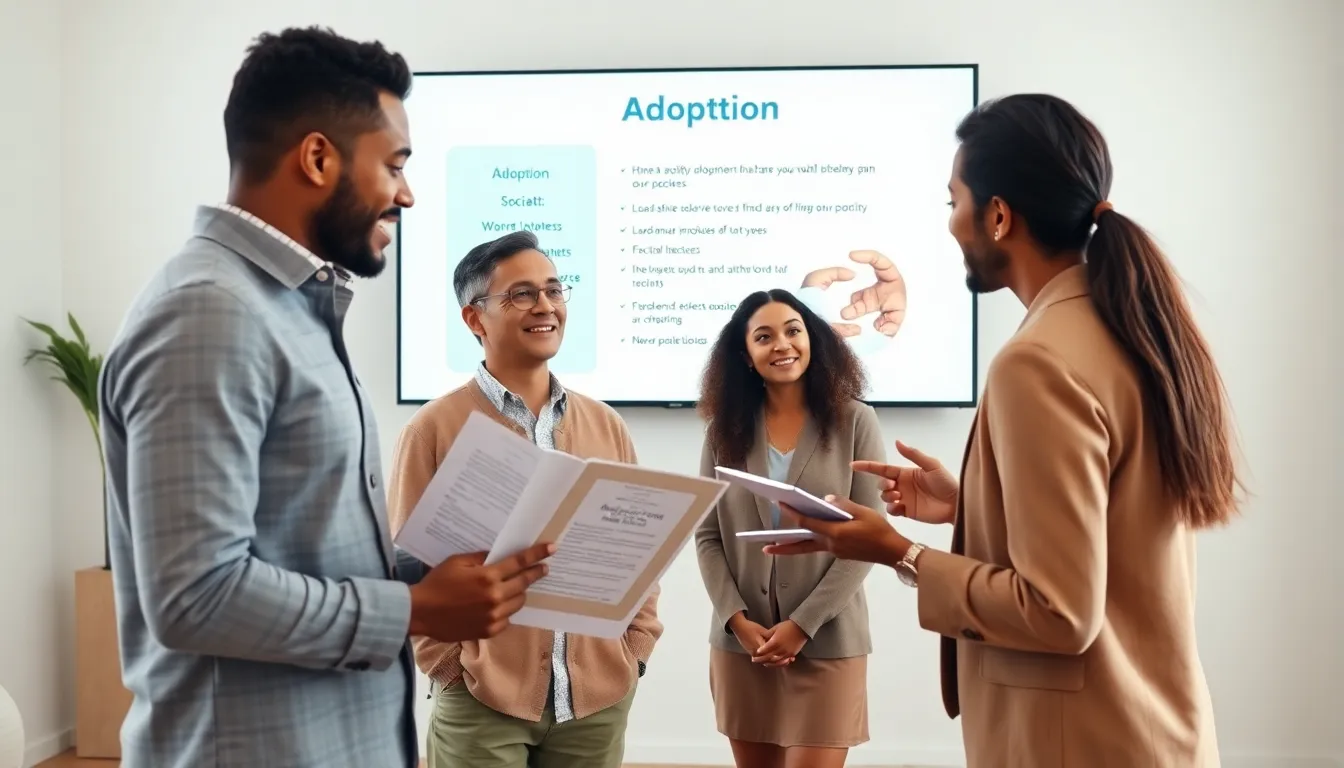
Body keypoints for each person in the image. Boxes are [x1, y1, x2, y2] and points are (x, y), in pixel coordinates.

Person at [98, 28, 552, 768]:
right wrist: (416, 608)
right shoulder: (209, 314)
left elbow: (296, 541)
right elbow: (195, 598)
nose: (406, 194)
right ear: (317, 158)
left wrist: (423, 575)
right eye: (395, 165)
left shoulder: (283, 307)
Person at [765, 94, 1243, 767]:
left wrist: (899, 551)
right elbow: (1117, 531)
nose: (951, 222)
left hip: (1076, 742)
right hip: (1149, 732)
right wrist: (974, 505)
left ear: (997, 215)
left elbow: (1058, 611)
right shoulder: (1130, 329)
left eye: (953, 199)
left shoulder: (1038, 361)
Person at [386, 229, 663, 768]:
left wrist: (636, 649)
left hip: (597, 700)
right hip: (483, 698)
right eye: (521, 294)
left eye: (554, 291)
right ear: (474, 319)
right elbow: (406, 567)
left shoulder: (605, 424)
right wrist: (451, 668)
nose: (546, 306)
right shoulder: (433, 428)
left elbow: (640, 556)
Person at [692, 288, 886, 768]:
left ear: (812, 339)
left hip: (827, 639)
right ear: (747, 355)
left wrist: (802, 625)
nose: (782, 344)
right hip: (745, 645)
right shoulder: (724, 430)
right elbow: (708, 534)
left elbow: (867, 540)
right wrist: (736, 621)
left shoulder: (855, 420)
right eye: (764, 336)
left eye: (793, 330)